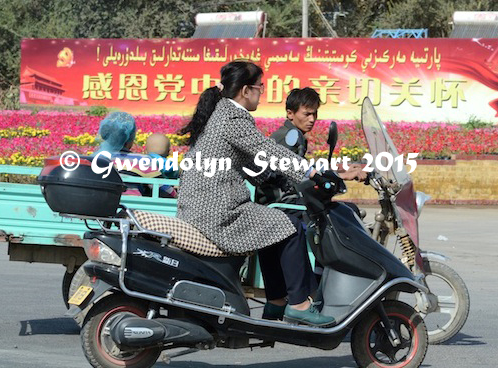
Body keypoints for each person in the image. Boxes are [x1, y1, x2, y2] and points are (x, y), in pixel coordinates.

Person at [177, 60, 334, 326]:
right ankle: (298, 303)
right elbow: (266, 149)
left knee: (272, 228)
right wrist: (310, 173)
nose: (262, 92)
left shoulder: (221, 113)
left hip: (204, 205)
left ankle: (275, 304)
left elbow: (250, 160)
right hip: (217, 211)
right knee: (291, 227)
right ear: (246, 90)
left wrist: (273, 175)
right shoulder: (233, 116)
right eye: (261, 87)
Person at [271, 87, 367, 182]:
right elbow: (293, 173)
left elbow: (305, 167)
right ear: (290, 114)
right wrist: (341, 176)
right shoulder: (288, 137)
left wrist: (340, 170)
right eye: (307, 114)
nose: (312, 119)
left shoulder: (294, 134)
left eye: (314, 114)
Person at [145, 133, 178, 198]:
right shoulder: (171, 165)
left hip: (146, 194)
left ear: (145, 151)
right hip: (166, 195)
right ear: (169, 152)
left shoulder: (142, 162)